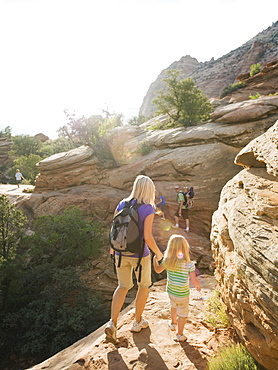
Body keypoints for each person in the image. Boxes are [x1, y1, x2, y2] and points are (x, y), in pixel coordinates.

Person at [105, 175, 164, 343]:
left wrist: (113, 249)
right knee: (144, 285)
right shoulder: (147, 208)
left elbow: (114, 229)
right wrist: (159, 254)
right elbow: (147, 237)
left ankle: (112, 323)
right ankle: (137, 321)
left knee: (122, 286)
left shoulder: (122, 203)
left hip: (120, 253)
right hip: (140, 255)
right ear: (149, 190)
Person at [153, 234, 201, 342]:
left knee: (173, 306)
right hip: (183, 294)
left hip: (171, 291)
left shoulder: (167, 261)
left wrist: (155, 260)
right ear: (185, 248)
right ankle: (180, 334)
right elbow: (194, 281)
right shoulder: (189, 265)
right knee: (183, 313)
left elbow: (157, 270)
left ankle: (173, 324)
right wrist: (198, 286)